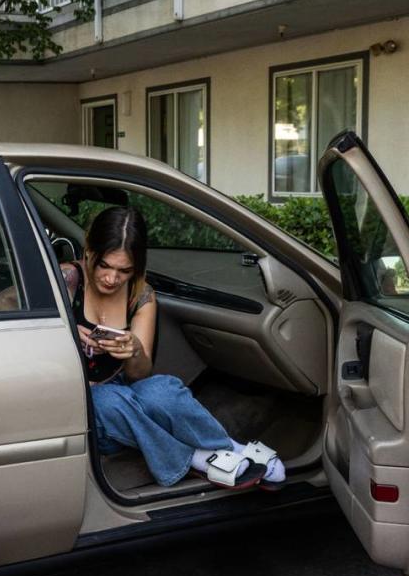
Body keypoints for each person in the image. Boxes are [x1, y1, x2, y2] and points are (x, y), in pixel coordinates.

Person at [62, 206, 287, 491]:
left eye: (124, 270)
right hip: (82, 402)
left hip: (124, 390)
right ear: (89, 250)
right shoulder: (66, 281)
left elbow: (139, 375)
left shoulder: (140, 295)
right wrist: (64, 333)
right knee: (108, 400)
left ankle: (230, 447)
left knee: (162, 389)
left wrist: (134, 350)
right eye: (104, 265)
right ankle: (197, 458)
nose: (111, 278)